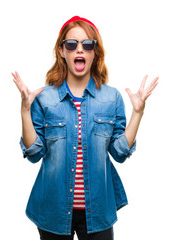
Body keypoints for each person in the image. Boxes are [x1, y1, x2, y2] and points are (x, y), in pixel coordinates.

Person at [12, 16, 158, 240]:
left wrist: (138, 113)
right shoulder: (44, 98)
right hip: (53, 209)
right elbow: (34, 153)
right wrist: (24, 111)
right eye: (71, 44)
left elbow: (119, 153)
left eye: (87, 44)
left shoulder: (112, 98)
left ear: (94, 52)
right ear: (62, 51)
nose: (79, 49)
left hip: (98, 210)